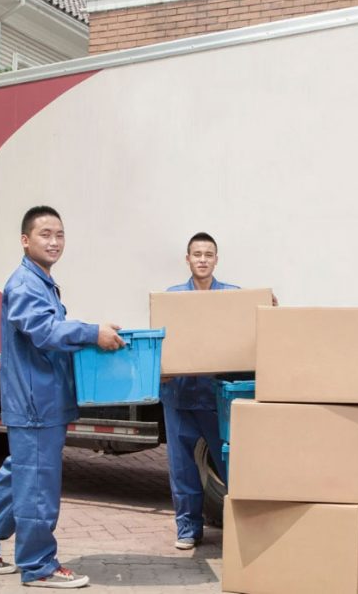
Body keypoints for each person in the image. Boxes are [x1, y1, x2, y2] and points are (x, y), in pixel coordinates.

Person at [0, 205, 125, 589]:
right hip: (36, 403)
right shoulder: (24, 284)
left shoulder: (41, 281)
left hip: (41, 400)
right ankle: (38, 566)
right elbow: (44, 332)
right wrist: (91, 333)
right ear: (25, 240)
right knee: (36, 486)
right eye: (45, 234)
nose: (54, 241)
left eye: (59, 234)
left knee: (21, 475)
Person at [160, 232, 237, 550]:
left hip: (216, 397)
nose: (203, 259)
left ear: (216, 259)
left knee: (232, 463)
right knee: (182, 466)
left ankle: (245, 525)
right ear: (187, 259)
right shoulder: (172, 297)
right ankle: (188, 529)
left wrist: (268, 306)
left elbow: (253, 321)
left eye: (208, 254)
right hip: (178, 396)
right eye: (197, 254)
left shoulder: (232, 296)